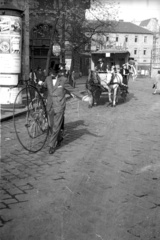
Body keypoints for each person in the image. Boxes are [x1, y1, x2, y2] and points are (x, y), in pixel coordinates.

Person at [43, 70, 72, 154]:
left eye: (54, 72)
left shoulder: (64, 80)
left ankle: (52, 146)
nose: (52, 74)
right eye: (51, 72)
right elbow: (44, 86)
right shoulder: (47, 79)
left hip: (59, 106)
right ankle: (59, 138)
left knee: (56, 126)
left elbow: (72, 90)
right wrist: (40, 84)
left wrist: (82, 97)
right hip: (50, 105)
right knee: (51, 126)